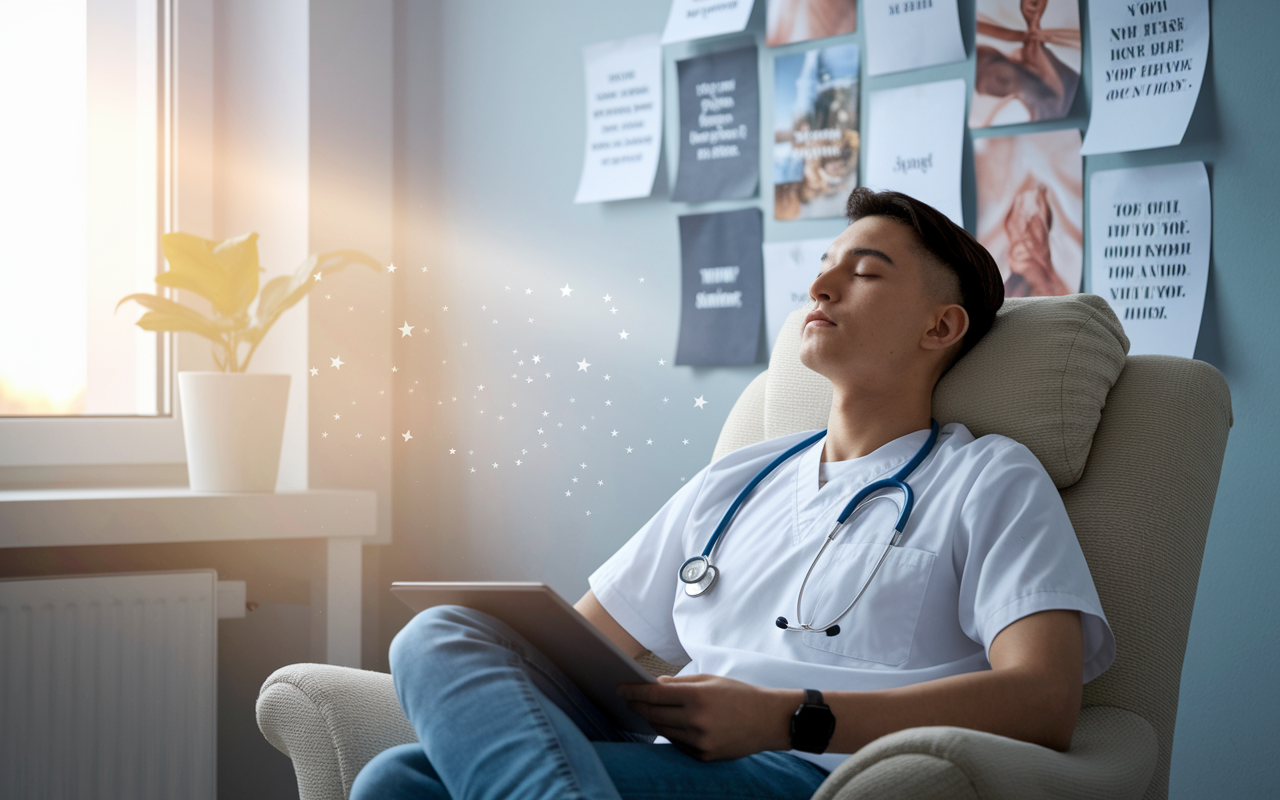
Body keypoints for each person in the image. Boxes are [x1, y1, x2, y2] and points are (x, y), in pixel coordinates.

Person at [351, 189, 1115, 800]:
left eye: (867, 272)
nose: (819, 285)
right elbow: (580, 654)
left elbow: (1043, 703)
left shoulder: (990, 478)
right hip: (667, 752)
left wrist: (786, 718)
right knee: (438, 636)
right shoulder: (737, 480)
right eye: (824, 266)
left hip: (817, 771)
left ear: (941, 327)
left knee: (399, 785)